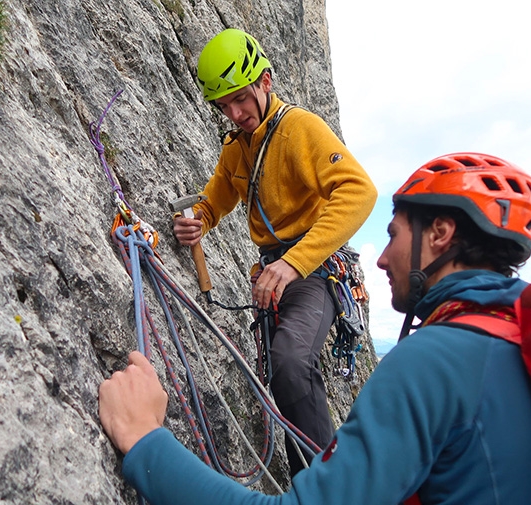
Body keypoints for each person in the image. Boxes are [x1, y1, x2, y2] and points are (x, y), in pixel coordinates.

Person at [99, 152, 531, 504]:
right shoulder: (527, 341)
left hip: (308, 276)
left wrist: (144, 439)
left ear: (439, 234)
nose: (379, 257)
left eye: (393, 234)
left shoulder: (437, 362)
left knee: (290, 360)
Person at [172, 28, 377, 474]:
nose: (236, 112)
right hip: (274, 276)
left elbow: (359, 191)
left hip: (316, 271)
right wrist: (199, 221)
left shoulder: (300, 129)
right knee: (280, 381)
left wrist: (292, 263)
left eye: (241, 98)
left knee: (289, 362)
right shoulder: (237, 148)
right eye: (224, 105)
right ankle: (305, 485)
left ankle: (327, 489)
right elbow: (217, 196)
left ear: (265, 81)